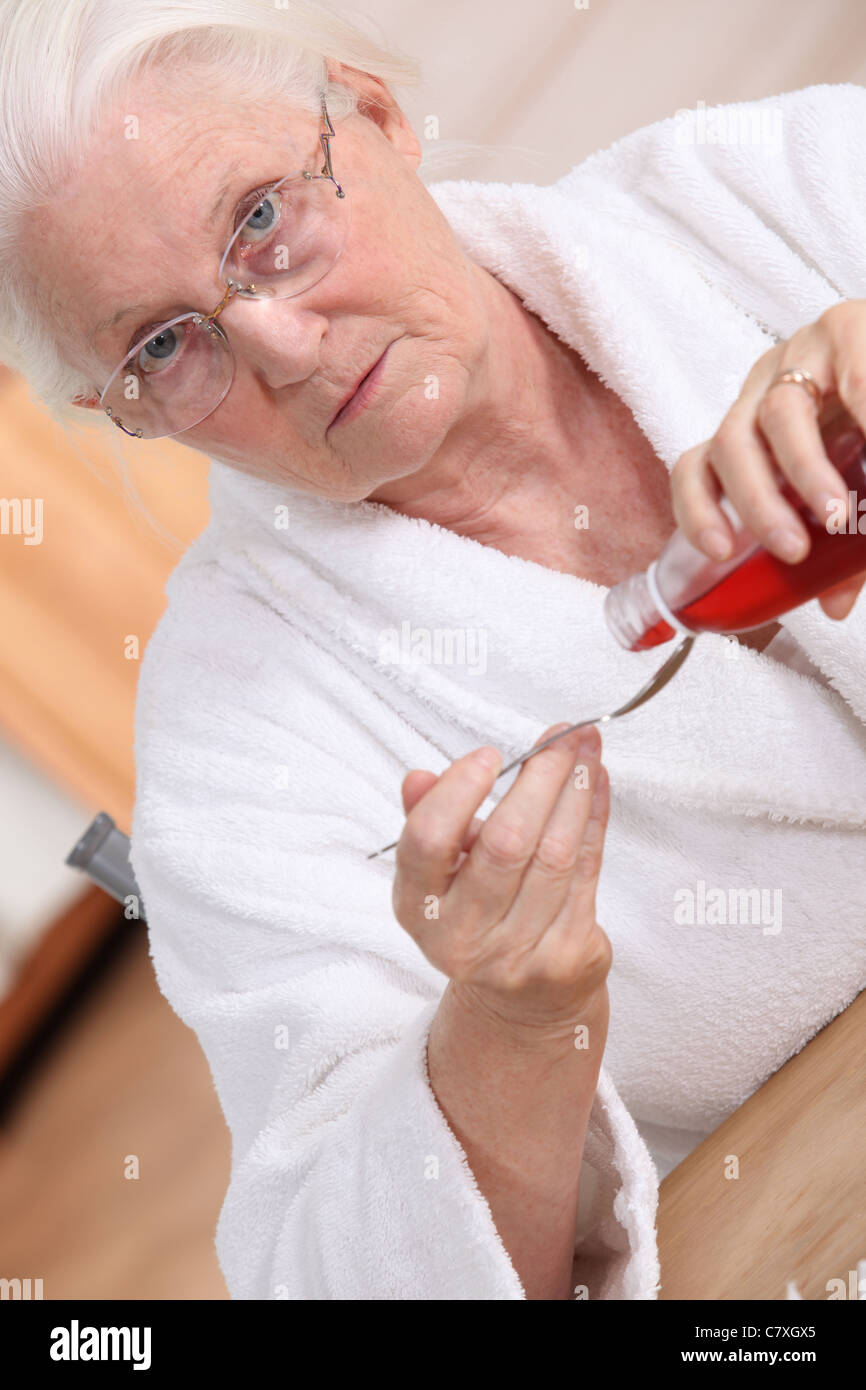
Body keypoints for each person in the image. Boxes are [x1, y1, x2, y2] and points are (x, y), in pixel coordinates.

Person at [2, 0, 866, 1300]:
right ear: (111, 408)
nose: (280, 347)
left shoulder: (758, 194)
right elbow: (337, 1277)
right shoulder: (236, 752)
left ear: (377, 114)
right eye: (165, 345)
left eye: (259, 219)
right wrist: (511, 1030)